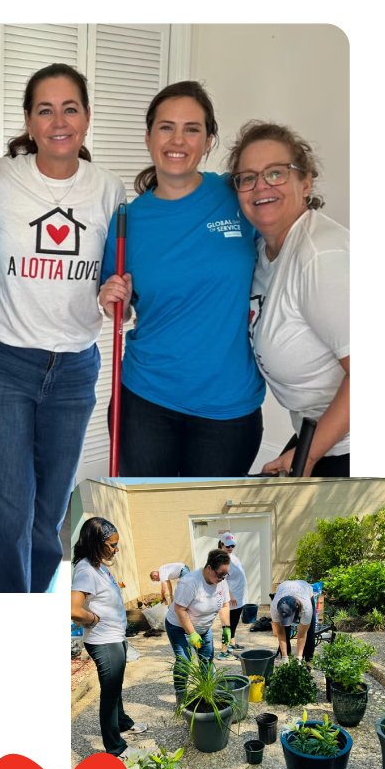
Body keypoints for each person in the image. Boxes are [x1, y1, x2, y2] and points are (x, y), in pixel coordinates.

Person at [0, 64, 126, 592]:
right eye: (45, 109)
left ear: (86, 117)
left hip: (76, 368)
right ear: (30, 122)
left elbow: (116, 273)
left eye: (70, 108)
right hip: (2, 363)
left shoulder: (107, 189)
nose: (59, 121)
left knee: (50, 512)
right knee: (4, 509)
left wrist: (114, 291)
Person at [101, 82, 264, 476]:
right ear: (148, 137)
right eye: (166, 127)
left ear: (209, 140)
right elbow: (118, 310)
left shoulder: (236, 194)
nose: (178, 139)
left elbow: (280, 256)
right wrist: (111, 302)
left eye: (192, 129)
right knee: (150, 529)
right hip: (145, 399)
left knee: (211, 535)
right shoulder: (128, 220)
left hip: (229, 407)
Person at [226, 121, 350, 476]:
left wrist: (308, 454)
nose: (260, 186)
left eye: (276, 173)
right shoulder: (263, 252)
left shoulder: (320, 255)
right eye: (247, 178)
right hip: (317, 431)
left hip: (343, 446)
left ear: (305, 181)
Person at [71, 517, 147, 761]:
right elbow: (73, 609)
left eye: (117, 543)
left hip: (115, 637)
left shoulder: (97, 565)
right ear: (96, 543)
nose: (116, 549)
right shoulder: (85, 569)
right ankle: (116, 748)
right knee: (110, 693)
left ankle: (123, 723)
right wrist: (93, 620)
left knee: (116, 688)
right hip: (104, 641)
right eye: (112, 545)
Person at [167, 549, 232, 690]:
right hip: (179, 626)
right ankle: (181, 695)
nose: (222, 579)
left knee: (207, 660)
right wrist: (191, 633)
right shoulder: (190, 582)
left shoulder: (222, 582)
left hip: (203, 627)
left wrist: (227, 628)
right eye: (220, 574)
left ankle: (207, 691)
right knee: (184, 661)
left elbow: (225, 606)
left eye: (225, 575)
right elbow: (179, 610)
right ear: (209, 568)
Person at [270, 579, 316, 663]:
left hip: (305, 591)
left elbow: (302, 635)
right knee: (285, 631)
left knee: (309, 632)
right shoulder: (274, 606)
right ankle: (286, 660)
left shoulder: (306, 607)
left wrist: (298, 657)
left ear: (297, 608)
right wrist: (284, 656)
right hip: (284, 588)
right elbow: (280, 632)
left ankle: (308, 662)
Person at [219, 533, 249, 657]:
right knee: (228, 624)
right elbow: (222, 579)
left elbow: (241, 572)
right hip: (232, 597)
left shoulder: (232, 556)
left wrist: (246, 589)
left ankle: (231, 643)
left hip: (240, 595)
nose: (230, 548)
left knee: (235, 622)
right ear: (221, 545)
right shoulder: (222, 560)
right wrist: (230, 595)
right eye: (227, 546)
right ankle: (223, 652)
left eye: (232, 546)